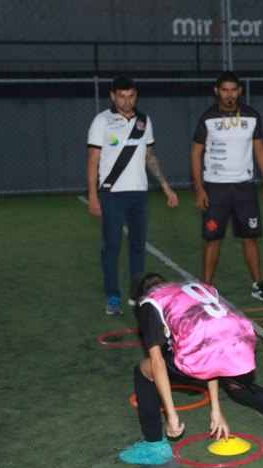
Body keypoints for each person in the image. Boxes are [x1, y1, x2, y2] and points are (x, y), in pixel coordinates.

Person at [119, 272, 263, 465]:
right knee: (240, 387)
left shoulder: (150, 303)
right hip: (239, 338)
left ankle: (154, 447)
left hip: (208, 344)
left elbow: (158, 364)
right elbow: (212, 356)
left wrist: (171, 415)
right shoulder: (196, 288)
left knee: (144, 371)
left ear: (139, 299)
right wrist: (216, 411)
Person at [87, 75, 178, 315]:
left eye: (131, 96)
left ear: (135, 95)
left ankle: (137, 294)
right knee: (112, 245)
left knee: (138, 245)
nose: (127, 101)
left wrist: (166, 186)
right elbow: (93, 160)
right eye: (122, 96)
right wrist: (93, 196)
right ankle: (113, 295)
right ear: (113, 96)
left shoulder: (144, 121)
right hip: (112, 194)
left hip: (139, 193)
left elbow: (150, 155)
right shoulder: (102, 121)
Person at [190, 70, 263, 301]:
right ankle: (206, 288)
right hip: (215, 188)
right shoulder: (207, 118)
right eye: (224, 90)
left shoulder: (251, 116)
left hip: (244, 188)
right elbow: (196, 153)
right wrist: (199, 188)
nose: (229, 94)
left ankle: (258, 284)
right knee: (212, 239)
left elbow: (260, 149)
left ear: (240, 91)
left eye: (233, 90)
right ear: (217, 91)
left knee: (250, 237)